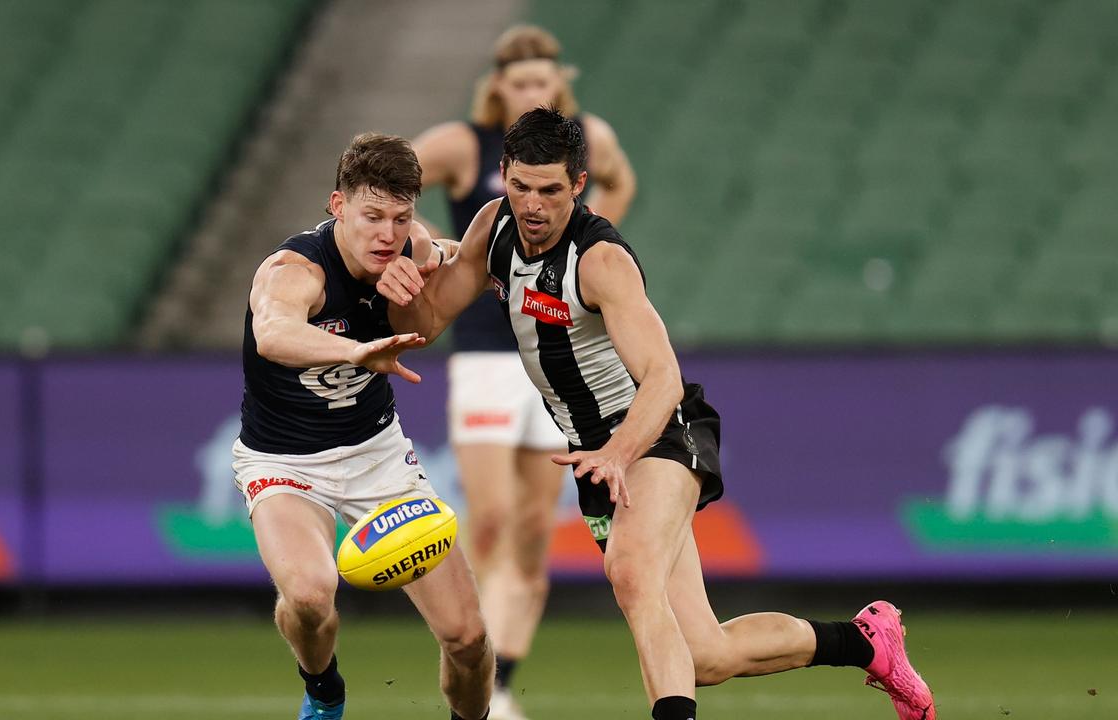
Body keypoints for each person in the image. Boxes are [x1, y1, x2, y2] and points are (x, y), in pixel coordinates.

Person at [378, 108, 936, 720]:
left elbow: (663, 379)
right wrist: (402, 289)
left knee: (631, 570)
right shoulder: (495, 230)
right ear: (503, 176)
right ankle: (865, 643)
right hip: (598, 455)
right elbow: (426, 325)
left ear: (580, 184)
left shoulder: (600, 261)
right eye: (521, 187)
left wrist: (618, 454)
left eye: (551, 191)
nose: (533, 206)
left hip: (658, 432)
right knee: (706, 655)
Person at [411, 26, 635, 719]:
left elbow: (621, 180)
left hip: (552, 354)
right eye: (519, 81)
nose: (531, 91)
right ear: (497, 86)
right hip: (483, 353)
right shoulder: (464, 145)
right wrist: (424, 241)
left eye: (543, 81)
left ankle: (501, 681)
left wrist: (589, 238)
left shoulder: (582, 141)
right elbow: (390, 179)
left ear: (556, 83)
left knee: (537, 527)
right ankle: (471, 659)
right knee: (491, 520)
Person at [232, 132, 494, 720]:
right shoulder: (294, 270)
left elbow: (450, 255)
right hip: (285, 463)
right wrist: (355, 352)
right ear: (337, 207)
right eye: (371, 215)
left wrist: (465, 269)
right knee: (306, 594)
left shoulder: (410, 247)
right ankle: (324, 689)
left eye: (400, 217)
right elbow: (273, 333)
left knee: (468, 640)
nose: (386, 233)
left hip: (377, 458)